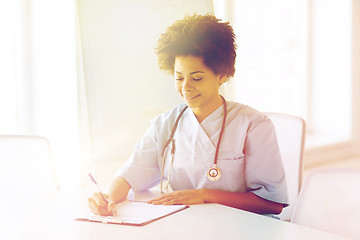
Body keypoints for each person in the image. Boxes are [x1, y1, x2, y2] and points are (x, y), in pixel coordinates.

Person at [88, 14, 288, 216]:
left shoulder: (253, 125)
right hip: (188, 224)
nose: (186, 87)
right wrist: (108, 197)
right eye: (179, 78)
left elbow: (272, 204)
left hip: (244, 227)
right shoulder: (166, 124)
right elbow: (130, 174)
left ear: (222, 75)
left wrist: (204, 195)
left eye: (197, 78)